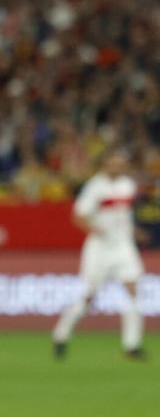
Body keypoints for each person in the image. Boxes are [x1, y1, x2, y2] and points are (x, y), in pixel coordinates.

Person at [53, 148, 146, 360]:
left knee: (132, 290)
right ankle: (61, 334)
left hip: (123, 246)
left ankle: (132, 345)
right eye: (113, 162)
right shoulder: (95, 187)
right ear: (105, 164)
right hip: (100, 248)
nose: (117, 166)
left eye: (120, 162)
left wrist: (132, 231)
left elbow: (124, 215)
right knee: (89, 297)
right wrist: (97, 229)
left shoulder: (128, 186)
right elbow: (78, 216)